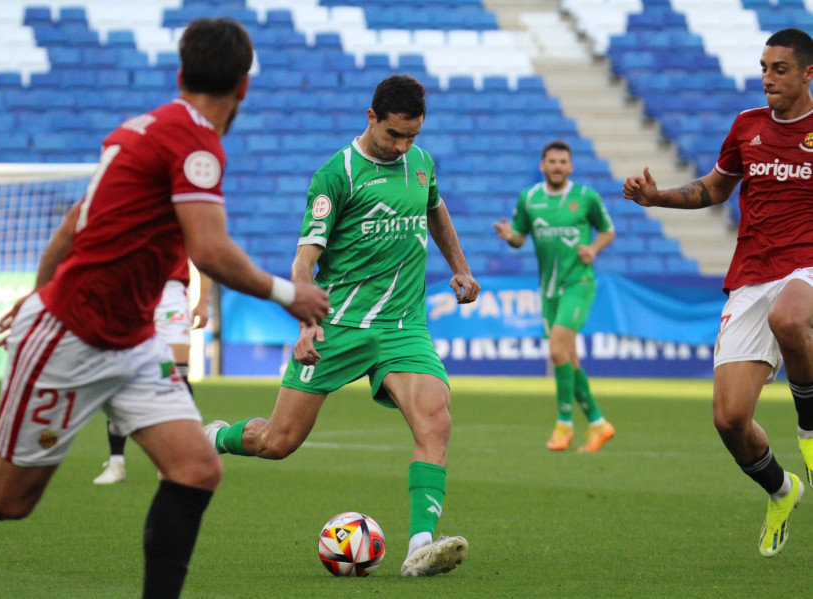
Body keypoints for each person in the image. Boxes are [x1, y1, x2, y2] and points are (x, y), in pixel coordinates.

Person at [0, 17, 329, 599]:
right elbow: (208, 249)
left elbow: (70, 226)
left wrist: (38, 288)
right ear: (243, 89)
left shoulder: (140, 130)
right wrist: (290, 294)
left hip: (132, 343)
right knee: (8, 498)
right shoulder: (194, 142)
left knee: (196, 468)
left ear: (182, 73)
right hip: (71, 336)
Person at [205, 74, 480, 577]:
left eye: (412, 136)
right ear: (371, 117)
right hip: (341, 325)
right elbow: (303, 263)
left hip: (402, 326)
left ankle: (421, 543)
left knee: (435, 420)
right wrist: (306, 324)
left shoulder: (420, 163)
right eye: (394, 135)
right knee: (278, 442)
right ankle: (215, 437)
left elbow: (436, 211)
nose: (402, 147)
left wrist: (459, 266)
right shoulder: (338, 174)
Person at [623, 27, 813, 558]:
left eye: (779, 69)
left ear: (808, 73)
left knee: (790, 317)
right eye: (764, 68)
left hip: (808, 265)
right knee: (729, 420)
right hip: (752, 273)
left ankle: (810, 430)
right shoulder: (746, 127)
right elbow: (715, 187)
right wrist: (658, 197)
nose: (768, 78)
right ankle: (782, 490)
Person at [493, 140, 616, 453]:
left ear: (570, 167)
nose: (558, 166)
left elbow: (607, 230)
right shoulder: (530, 198)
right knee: (569, 359)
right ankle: (599, 423)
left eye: (563, 162)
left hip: (579, 283)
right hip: (548, 289)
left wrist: (594, 249)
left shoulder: (585, 197)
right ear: (542, 165)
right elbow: (520, 237)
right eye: (552, 161)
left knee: (558, 349)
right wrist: (510, 238)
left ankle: (564, 424)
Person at [94, 265, 213, 485]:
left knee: (176, 375)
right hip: (132, 292)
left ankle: (181, 458)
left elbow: (204, 258)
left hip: (171, 295)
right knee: (121, 376)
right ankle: (116, 463)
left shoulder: (183, 229)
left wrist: (203, 302)